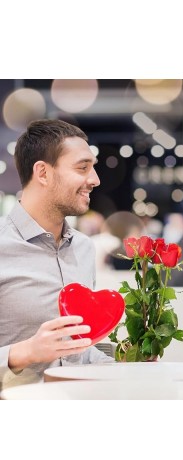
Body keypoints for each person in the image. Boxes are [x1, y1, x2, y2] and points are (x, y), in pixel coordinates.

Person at [0, 119, 115, 389]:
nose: (95, 180)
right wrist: (24, 352)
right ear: (43, 173)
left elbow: (78, 351)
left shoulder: (84, 248)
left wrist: (127, 365)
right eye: (82, 167)